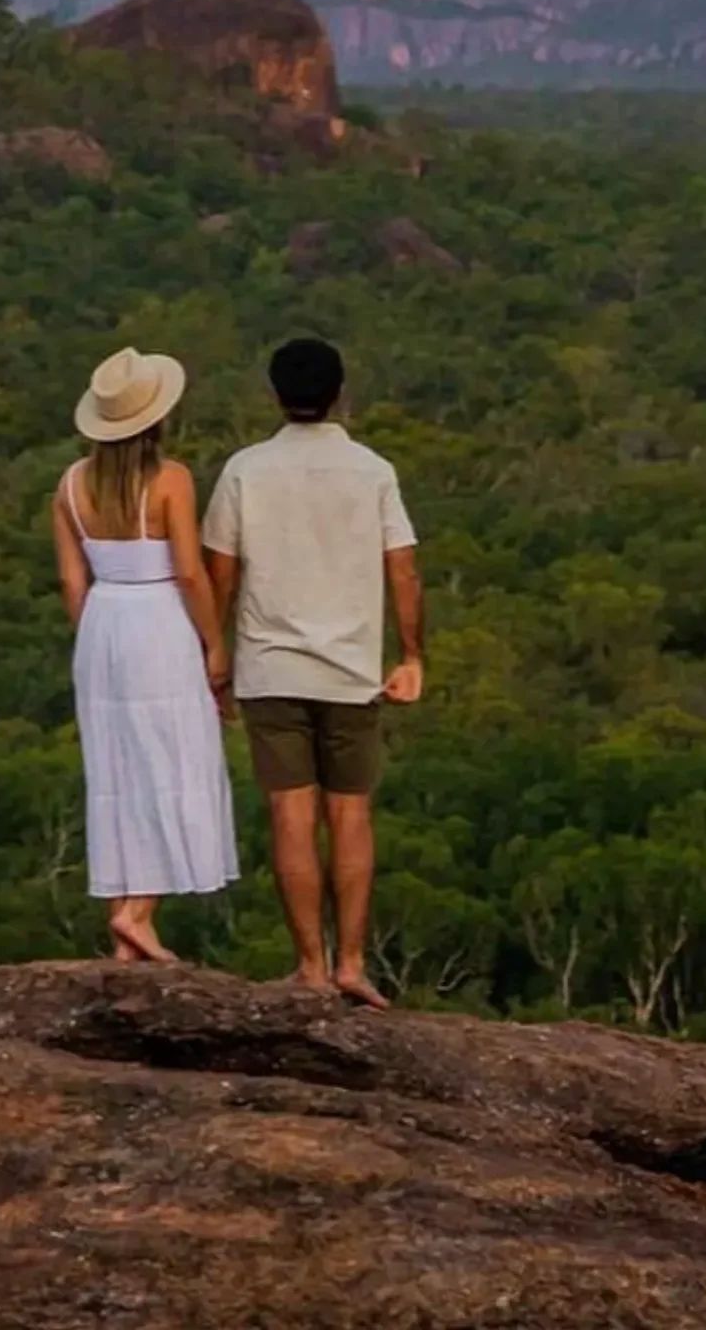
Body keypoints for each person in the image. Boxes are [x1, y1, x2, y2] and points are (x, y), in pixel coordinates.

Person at [204, 336, 424, 1008]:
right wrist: (412, 655)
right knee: (351, 815)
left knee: (291, 816)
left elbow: (220, 570)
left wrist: (215, 655)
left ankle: (311, 966)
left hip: (271, 669)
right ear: (340, 394)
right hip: (353, 669)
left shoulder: (245, 470)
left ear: (275, 395)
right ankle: (353, 963)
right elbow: (403, 569)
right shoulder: (373, 470)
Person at [53, 345, 240, 963]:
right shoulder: (171, 481)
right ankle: (138, 912)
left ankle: (122, 927)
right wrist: (215, 645)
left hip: (103, 624)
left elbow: (72, 584)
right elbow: (189, 572)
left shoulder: (71, 485)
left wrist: (97, 637)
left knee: (115, 770)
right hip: (158, 620)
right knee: (172, 759)